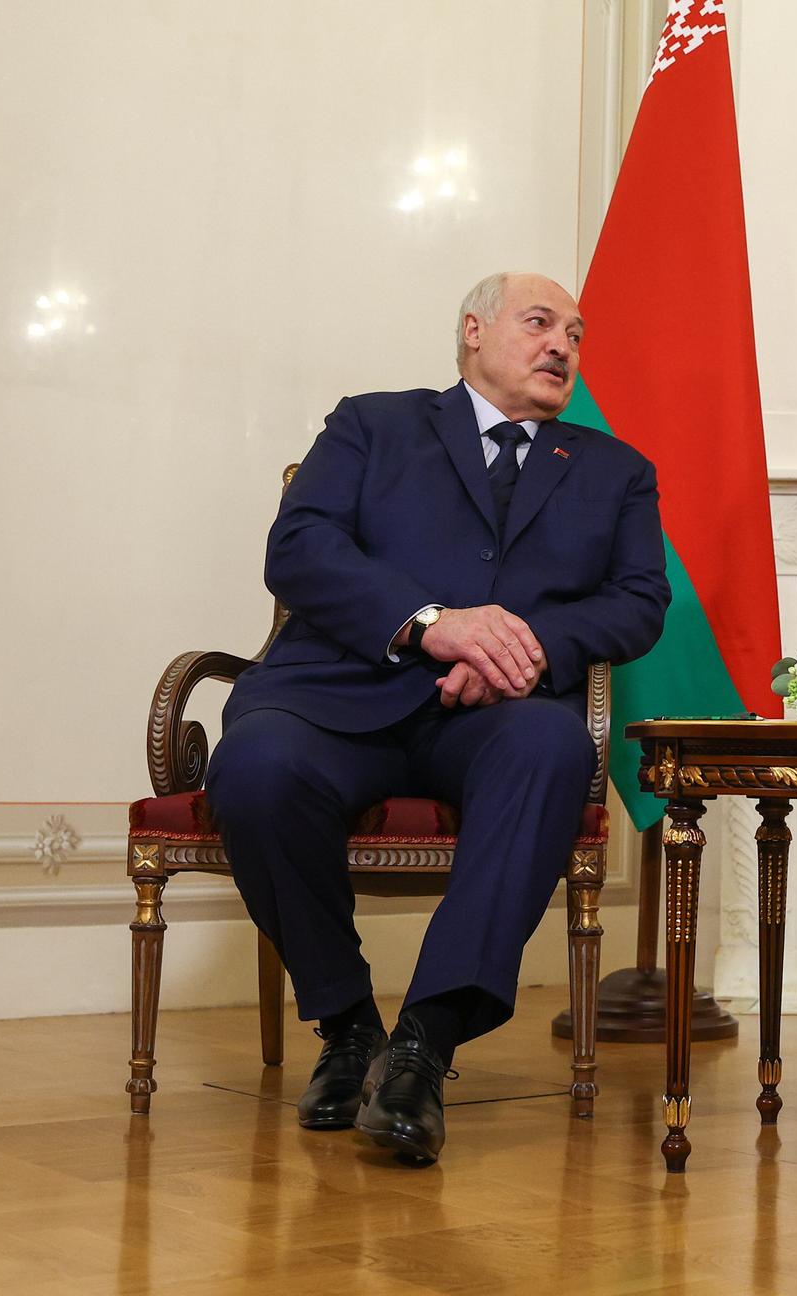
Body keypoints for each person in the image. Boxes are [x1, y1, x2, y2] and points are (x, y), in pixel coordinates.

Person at [206, 271, 670, 1164]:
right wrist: (434, 625)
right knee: (257, 769)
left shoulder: (615, 471)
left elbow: (639, 602)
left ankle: (424, 1044)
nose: (564, 346)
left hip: (493, 716)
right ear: (472, 330)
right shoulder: (373, 424)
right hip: (338, 699)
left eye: (576, 333)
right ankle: (347, 1029)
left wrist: (521, 644)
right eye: (541, 323)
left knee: (551, 745)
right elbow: (299, 551)